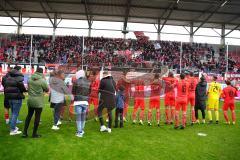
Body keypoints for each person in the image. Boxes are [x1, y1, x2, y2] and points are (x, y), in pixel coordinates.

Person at [22, 68, 49, 138]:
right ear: (42, 73)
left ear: (36, 71)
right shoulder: (42, 80)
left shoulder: (30, 79)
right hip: (38, 101)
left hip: (30, 99)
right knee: (37, 117)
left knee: (29, 116)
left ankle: (24, 132)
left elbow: (29, 87)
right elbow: (47, 89)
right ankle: (34, 134)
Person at [3, 66, 27, 135]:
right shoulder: (18, 80)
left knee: (13, 112)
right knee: (15, 113)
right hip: (16, 98)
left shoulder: (8, 79)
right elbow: (23, 89)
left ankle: (13, 127)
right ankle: (12, 130)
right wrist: (25, 90)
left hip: (9, 97)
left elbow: (5, 87)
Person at [72, 70, 90, 137]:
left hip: (78, 101)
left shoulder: (76, 81)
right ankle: (81, 130)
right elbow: (89, 91)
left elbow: (73, 91)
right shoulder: (88, 82)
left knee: (79, 118)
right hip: (85, 101)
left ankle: (80, 132)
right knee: (83, 117)